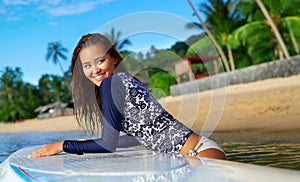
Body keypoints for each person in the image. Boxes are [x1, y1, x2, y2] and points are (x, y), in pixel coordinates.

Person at [28, 33, 226, 160]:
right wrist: (87, 143)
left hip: (200, 155)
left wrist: (63, 146)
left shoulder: (111, 83)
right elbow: (140, 137)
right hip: (197, 154)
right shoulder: (122, 82)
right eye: (87, 65)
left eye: (100, 60)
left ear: (113, 59)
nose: (95, 70)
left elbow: (108, 145)